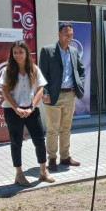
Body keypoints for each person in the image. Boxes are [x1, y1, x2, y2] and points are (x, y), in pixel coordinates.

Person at [0, 40, 54, 187]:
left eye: (21, 52)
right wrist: (16, 108)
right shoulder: (7, 70)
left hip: (31, 110)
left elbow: (40, 89)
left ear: (27, 53)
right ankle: (19, 174)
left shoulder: (34, 69)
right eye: (15, 52)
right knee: (16, 142)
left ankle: (43, 171)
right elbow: (5, 91)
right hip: (12, 111)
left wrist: (31, 107)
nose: (18, 55)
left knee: (39, 140)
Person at [39, 23, 86, 171]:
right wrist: (45, 93)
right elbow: (42, 75)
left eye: (71, 34)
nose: (69, 37)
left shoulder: (73, 51)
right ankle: (52, 158)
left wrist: (80, 85)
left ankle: (65, 157)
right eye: (66, 34)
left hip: (69, 94)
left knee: (66, 128)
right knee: (53, 129)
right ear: (59, 34)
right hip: (53, 95)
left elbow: (81, 69)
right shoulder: (47, 51)